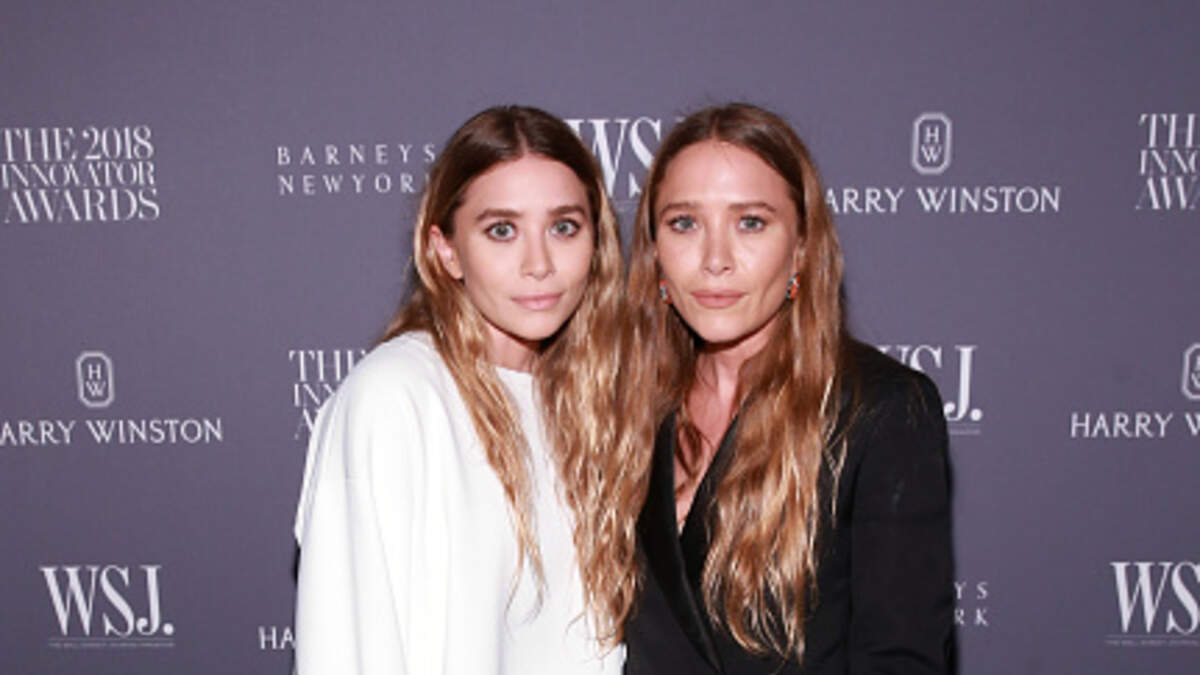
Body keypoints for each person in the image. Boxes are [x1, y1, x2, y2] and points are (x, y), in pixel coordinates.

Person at [293, 106, 644, 674]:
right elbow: (346, 649)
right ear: (446, 250)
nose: (539, 264)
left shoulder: (590, 405)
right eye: (502, 230)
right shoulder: (395, 398)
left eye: (563, 227)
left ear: (596, 242)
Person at [621, 103, 954, 674]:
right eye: (684, 223)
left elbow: (900, 660)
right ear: (654, 250)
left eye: (750, 222)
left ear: (802, 246)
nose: (715, 260)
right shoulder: (623, 403)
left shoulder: (880, 410)